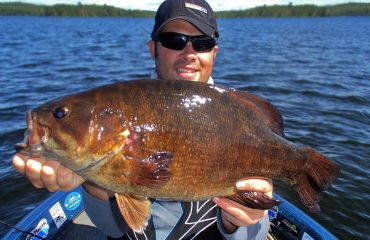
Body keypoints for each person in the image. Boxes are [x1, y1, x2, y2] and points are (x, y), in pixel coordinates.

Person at [12, 0, 273, 239]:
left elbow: (258, 233)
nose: (189, 52)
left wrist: (237, 222)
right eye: (174, 40)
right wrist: (90, 179)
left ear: (213, 53)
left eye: (202, 43)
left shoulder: (240, 121)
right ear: (153, 48)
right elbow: (113, 228)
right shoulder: (120, 108)